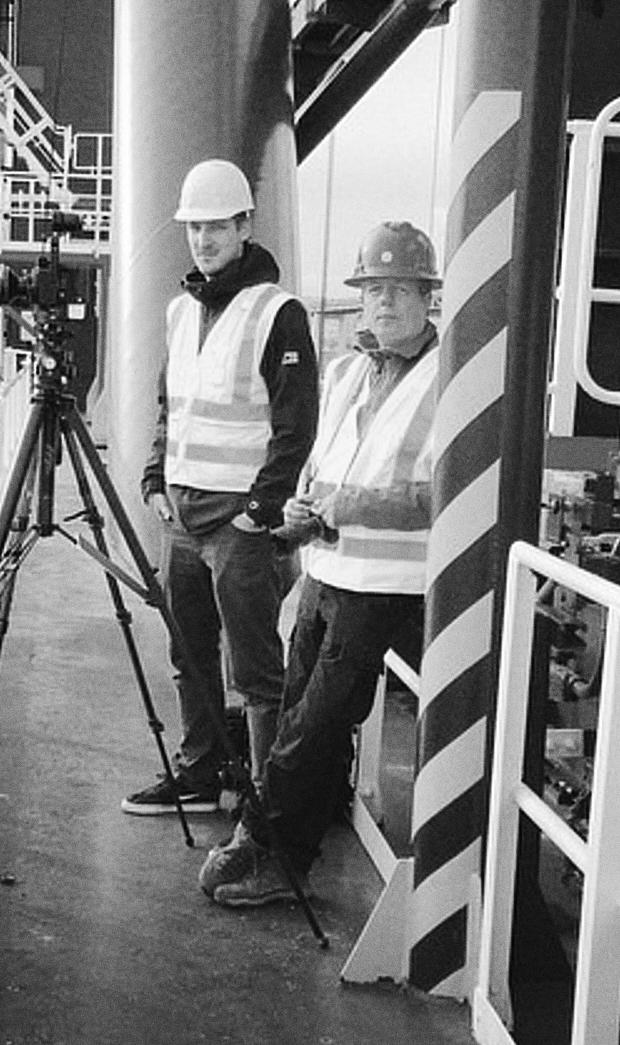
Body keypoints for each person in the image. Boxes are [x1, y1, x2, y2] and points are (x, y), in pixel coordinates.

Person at [200, 221, 441, 906]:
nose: (384, 303)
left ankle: (265, 843)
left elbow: (440, 496)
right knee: (300, 714)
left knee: (315, 723)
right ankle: (285, 848)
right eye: (374, 290)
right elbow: (321, 468)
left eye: (399, 290)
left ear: (428, 298)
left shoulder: (451, 381)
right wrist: (303, 511)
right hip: (327, 572)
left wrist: (342, 502)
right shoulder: (344, 373)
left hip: (388, 585)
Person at [121, 159, 319, 815]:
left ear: (244, 226)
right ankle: (201, 771)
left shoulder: (278, 313)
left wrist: (260, 511)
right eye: (194, 228)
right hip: (182, 511)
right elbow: (169, 406)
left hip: (239, 517)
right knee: (190, 651)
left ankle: (266, 793)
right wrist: (155, 476)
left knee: (256, 664)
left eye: (216, 227)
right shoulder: (180, 313)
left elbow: (297, 424)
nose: (203, 240)